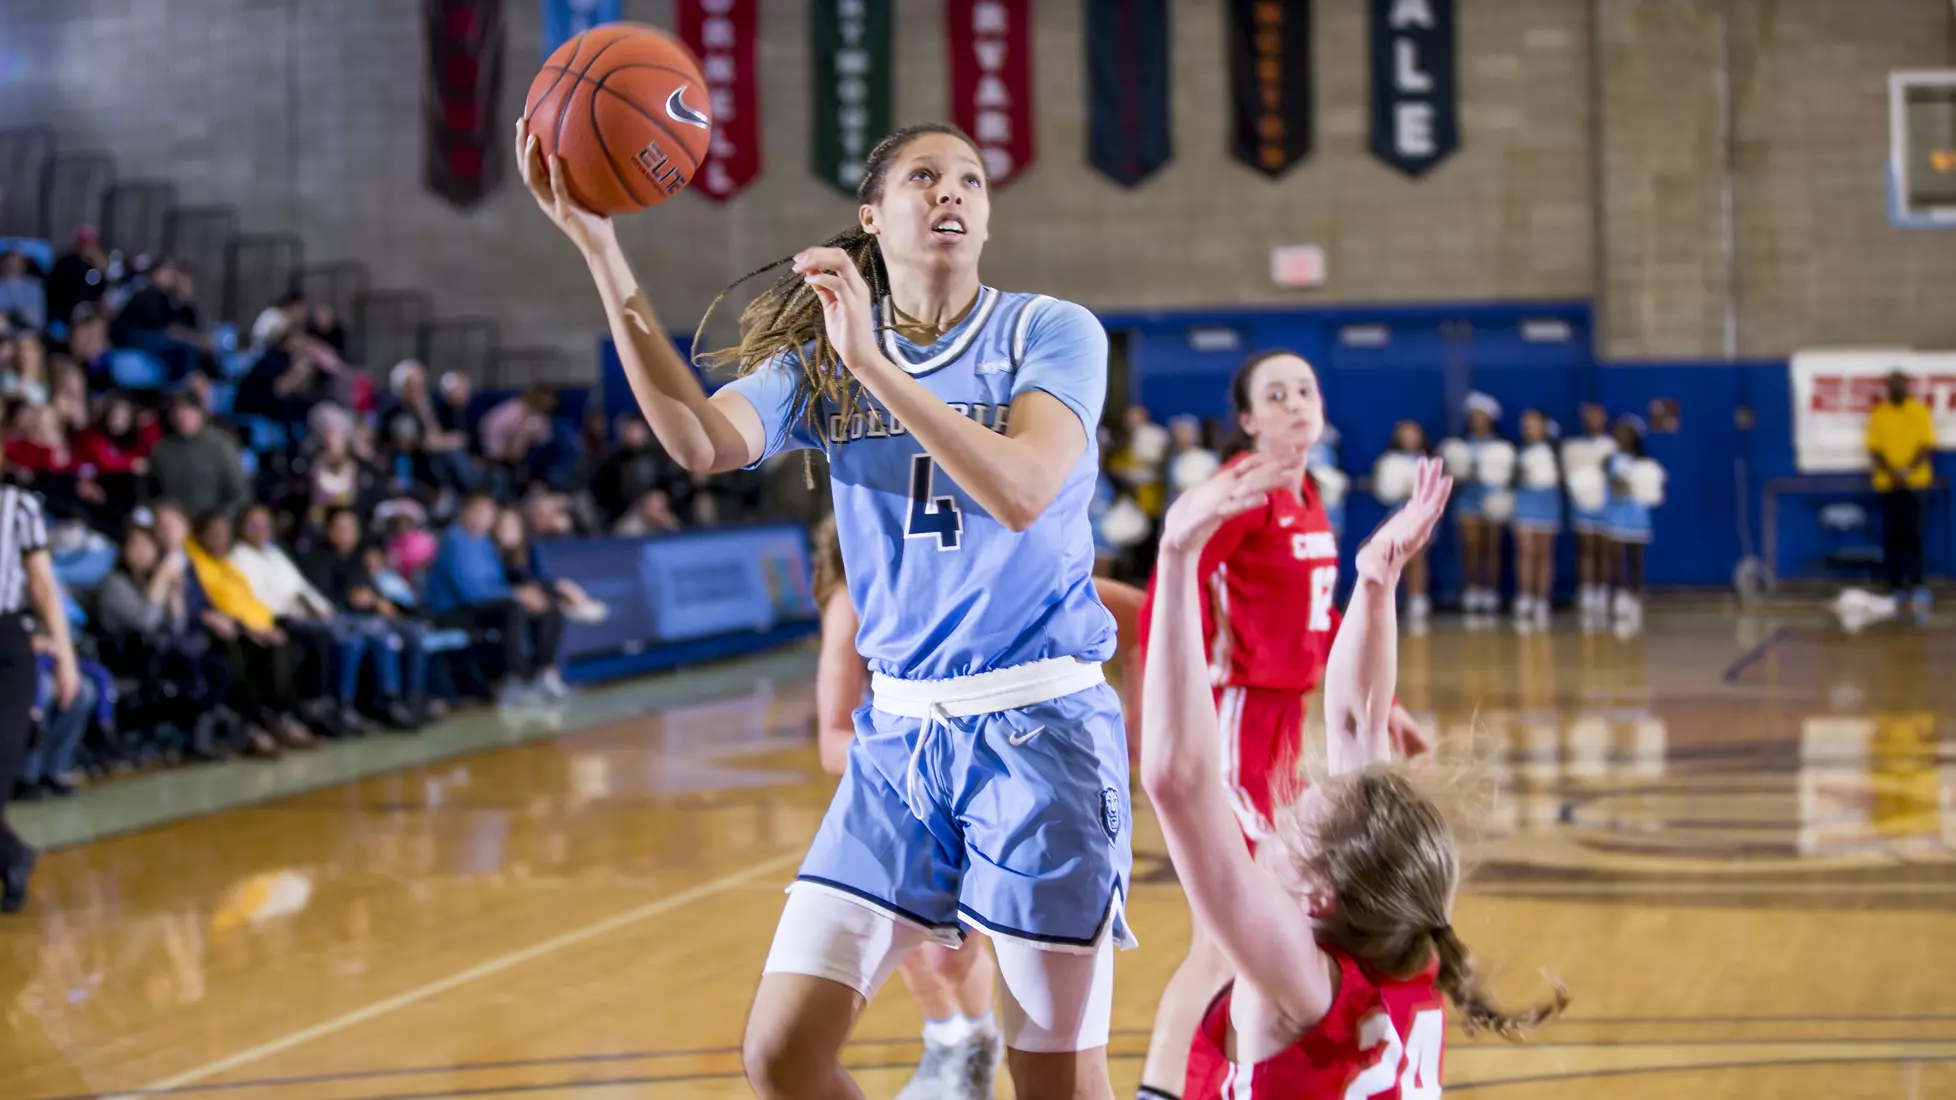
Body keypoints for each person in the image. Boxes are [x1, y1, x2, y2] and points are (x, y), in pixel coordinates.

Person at [521, 117, 1132, 1097]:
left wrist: (876, 366)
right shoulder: (819, 363)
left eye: (971, 179)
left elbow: (1022, 489)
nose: (953, 193)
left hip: (1037, 734)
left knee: (1056, 1080)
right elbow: (696, 440)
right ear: (870, 215)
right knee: (780, 1054)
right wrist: (601, 249)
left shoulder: (1050, 330)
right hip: (897, 742)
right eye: (926, 176)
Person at [1141, 453, 1566, 1098]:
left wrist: (1177, 557)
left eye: (1297, 819)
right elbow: (1356, 726)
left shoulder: (1299, 984)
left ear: (1317, 898)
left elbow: (1180, 782)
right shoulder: (1399, 942)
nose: (1285, 810)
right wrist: (1374, 584)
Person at [1134, 352, 1430, 1099]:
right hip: (1233, 721)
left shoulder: (1310, 496)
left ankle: (1239, 1069)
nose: (1296, 403)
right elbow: (1178, 589)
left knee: (1261, 937)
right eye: (1276, 394)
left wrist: (1383, 704)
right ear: (1247, 420)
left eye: (1306, 389)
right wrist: (1170, 701)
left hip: (1284, 725)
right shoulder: (1241, 497)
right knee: (1220, 938)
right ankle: (1162, 1087)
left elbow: (1318, 613)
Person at [808, 512, 1145, 1100]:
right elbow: (832, 739)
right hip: (907, 785)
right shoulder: (855, 597)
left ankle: (967, 1041)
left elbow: (1142, 615)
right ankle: (955, 1040)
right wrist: (912, 745)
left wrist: (1135, 730)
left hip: (1017, 776)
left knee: (976, 964)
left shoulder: (1000, 564)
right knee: (927, 958)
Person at [0, 479, 82, 913]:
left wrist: (66, 658)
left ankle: (12, 856)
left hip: (7, 645)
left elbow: (43, 585)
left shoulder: (17, 505)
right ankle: (13, 854)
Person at [1866, 369, 1935, 614]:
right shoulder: (1879, 414)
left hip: (1916, 485)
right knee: (1892, 537)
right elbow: (1874, 449)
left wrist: (1907, 471)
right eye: (1892, 385)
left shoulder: (1919, 411)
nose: (1897, 389)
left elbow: (1926, 445)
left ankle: (1917, 585)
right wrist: (1893, 472)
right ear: (1887, 388)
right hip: (1888, 485)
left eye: (1901, 384)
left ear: (1907, 387)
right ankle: (1895, 586)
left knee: (1915, 536)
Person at [1371, 420, 1432, 629]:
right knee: (1393, 560)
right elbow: (1383, 490)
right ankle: (1390, 603)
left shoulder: (1426, 461)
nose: (1409, 439)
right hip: (1396, 517)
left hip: (1419, 518)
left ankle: (1418, 602)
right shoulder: (1388, 461)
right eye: (1405, 434)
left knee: (1417, 557)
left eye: (1413, 434)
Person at [1561, 403, 1618, 624]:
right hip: (1583, 504)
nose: (1594, 420)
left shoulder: (1611, 446)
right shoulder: (1574, 446)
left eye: (1598, 416)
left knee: (1603, 550)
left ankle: (1602, 591)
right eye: (1590, 416)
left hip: (1606, 504)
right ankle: (1586, 590)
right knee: (1585, 549)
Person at [1508, 409, 1563, 632]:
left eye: (1533, 423)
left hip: (1547, 504)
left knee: (1544, 552)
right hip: (1525, 504)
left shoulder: (1554, 451)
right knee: (1525, 550)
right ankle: (1525, 597)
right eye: (1526, 423)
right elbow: (1510, 479)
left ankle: (1542, 600)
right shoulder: (1518, 451)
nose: (1528, 427)